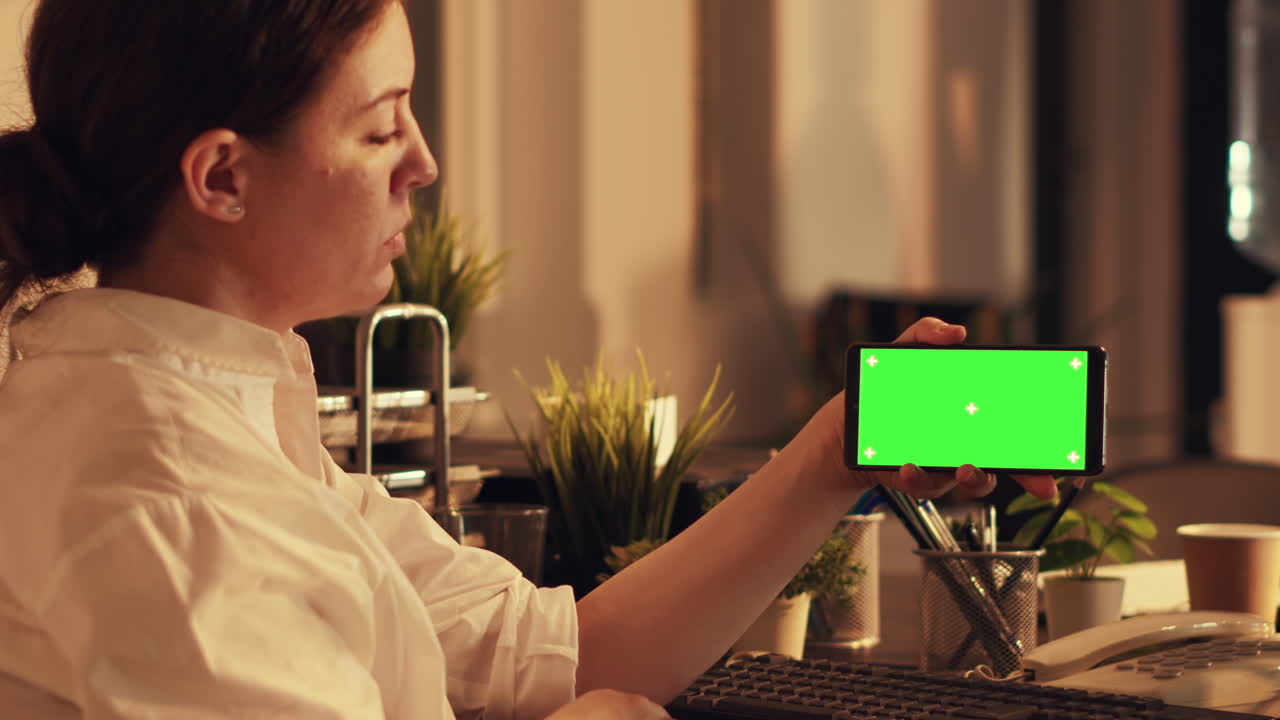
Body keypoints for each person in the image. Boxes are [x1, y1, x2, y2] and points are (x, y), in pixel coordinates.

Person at [0, 1, 1057, 718]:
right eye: (379, 129)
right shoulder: (160, 486)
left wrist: (830, 457)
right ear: (222, 177)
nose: (424, 161)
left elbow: (559, 650)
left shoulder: (223, 407)